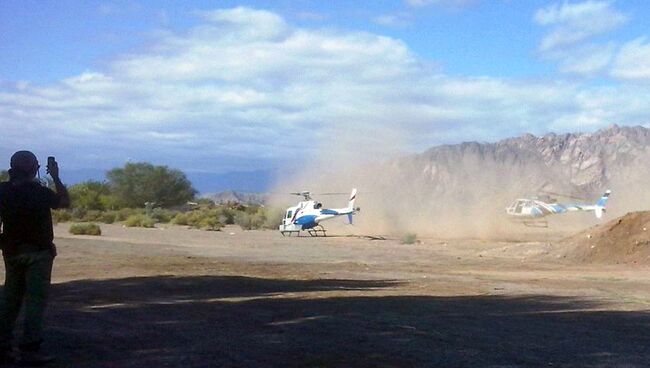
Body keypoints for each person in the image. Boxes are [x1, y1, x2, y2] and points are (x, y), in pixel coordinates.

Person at [0, 151, 70, 365]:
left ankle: (3, 347)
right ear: (33, 168)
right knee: (35, 301)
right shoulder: (39, 192)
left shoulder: (2, 191)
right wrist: (56, 176)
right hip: (39, 253)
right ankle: (30, 349)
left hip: (12, 252)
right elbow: (64, 202)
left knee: (10, 299)